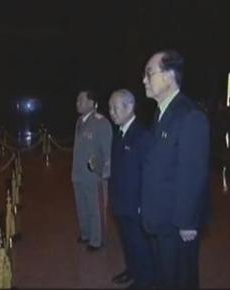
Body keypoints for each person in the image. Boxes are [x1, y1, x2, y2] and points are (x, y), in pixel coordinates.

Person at [141, 50, 211, 289]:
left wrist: (187, 223)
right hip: (160, 218)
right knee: (165, 279)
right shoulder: (161, 113)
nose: (144, 80)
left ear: (169, 76)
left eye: (149, 73)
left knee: (180, 280)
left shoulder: (189, 115)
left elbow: (193, 173)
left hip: (176, 224)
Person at [108, 89, 154, 289]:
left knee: (139, 245)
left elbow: (148, 174)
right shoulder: (119, 133)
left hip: (135, 205)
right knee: (127, 242)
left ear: (129, 107)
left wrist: (143, 204)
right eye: (110, 107)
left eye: (115, 107)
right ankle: (132, 270)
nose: (111, 112)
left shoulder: (142, 135)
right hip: (120, 202)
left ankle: (144, 281)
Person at [71, 90, 112, 251]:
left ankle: (97, 239)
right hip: (78, 174)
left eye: (81, 100)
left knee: (95, 208)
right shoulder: (80, 122)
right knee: (82, 206)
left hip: (94, 175)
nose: (78, 103)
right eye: (77, 100)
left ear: (91, 103)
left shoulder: (101, 123)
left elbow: (107, 151)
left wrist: (104, 172)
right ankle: (86, 233)